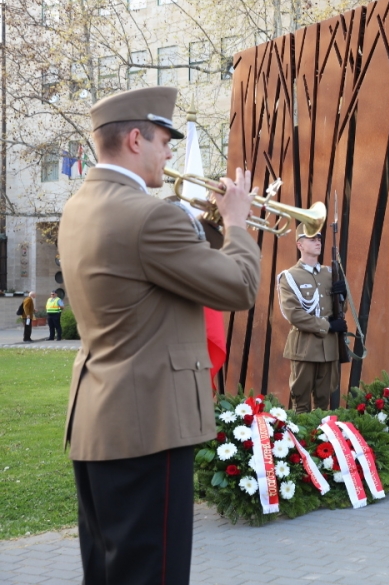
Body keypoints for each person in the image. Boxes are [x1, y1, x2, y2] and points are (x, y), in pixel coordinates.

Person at [59, 86, 261, 585]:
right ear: (135, 139)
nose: (169, 153)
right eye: (164, 141)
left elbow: (160, 274)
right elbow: (239, 286)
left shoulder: (81, 206)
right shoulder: (149, 215)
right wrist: (237, 223)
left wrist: (208, 225)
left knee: (109, 573)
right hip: (148, 422)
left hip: (99, 420)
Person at [277, 224, 348, 413]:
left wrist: (343, 296)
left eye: (319, 239)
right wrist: (327, 326)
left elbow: (341, 310)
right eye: (312, 239)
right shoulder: (290, 277)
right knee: (301, 404)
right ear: (299, 245)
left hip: (329, 349)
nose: (318, 242)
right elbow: (294, 314)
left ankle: (321, 433)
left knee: (323, 405)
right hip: (305, 347)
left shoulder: (330, 274)